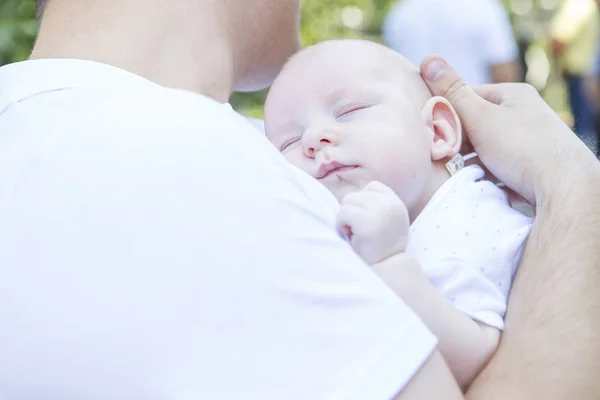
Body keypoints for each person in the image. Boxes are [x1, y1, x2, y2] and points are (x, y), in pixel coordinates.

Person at [0, 0, 597, 398]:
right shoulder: (200, 169)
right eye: (293, 137)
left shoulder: (43, 132)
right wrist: (574, 182)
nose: (314, 142)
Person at [264, 39, 533, 389]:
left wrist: (390, 262)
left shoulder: (466, 216)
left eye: (347, 110)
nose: (313, 139)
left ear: (437, 131)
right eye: (289, 143)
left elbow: (474, 359)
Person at [382, 0, 521, 86]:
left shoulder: (399, 13)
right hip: (476, 121)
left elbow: (391, 73)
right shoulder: (485, 7)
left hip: (418, 122)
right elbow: (506, 76)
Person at [550, 0, 599, 141]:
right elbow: (558, 39)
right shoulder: (580, 5)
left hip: (586, 75)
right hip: (579, 75)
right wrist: (557, 64)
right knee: (584, 128)